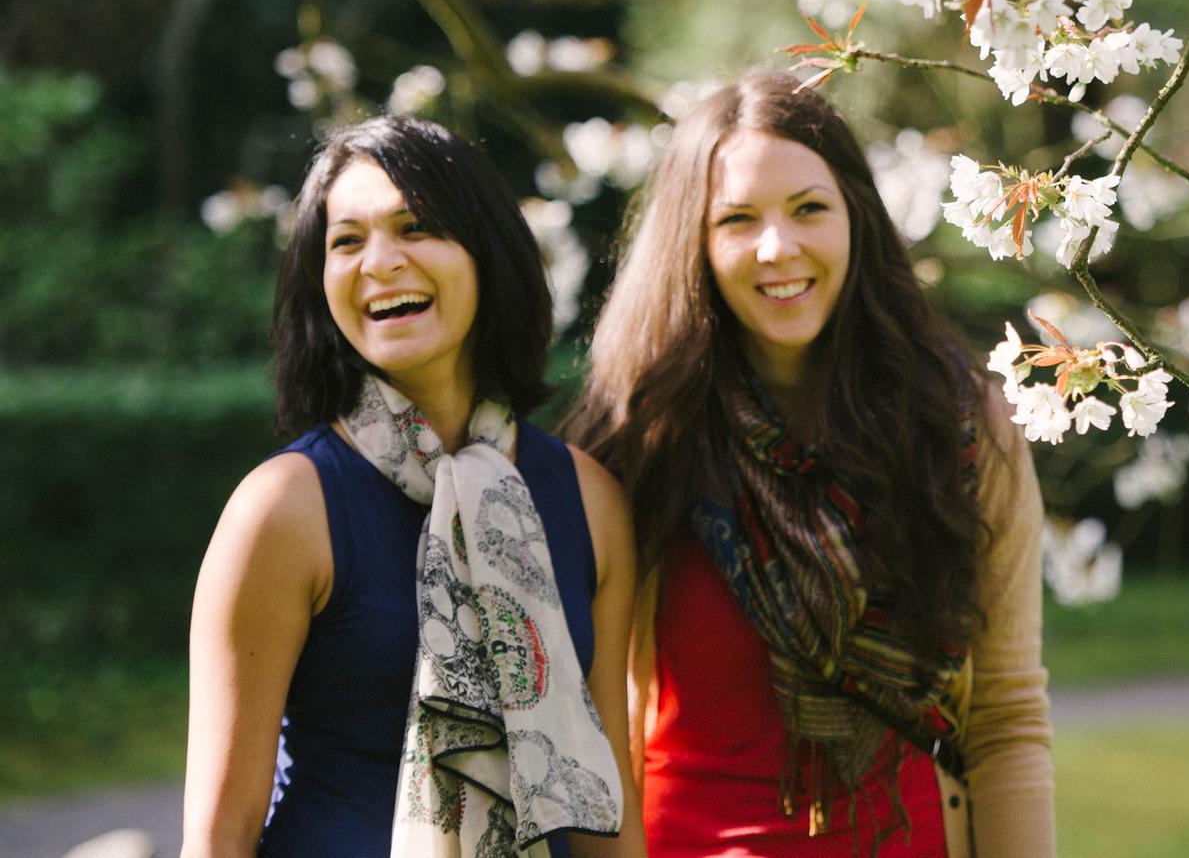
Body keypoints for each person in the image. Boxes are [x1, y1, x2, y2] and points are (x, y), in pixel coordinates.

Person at [568, 71, 1054, 858]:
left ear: (856, 217)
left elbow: (1006, 718)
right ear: (693, 241)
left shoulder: (961, 431)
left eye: (809, 210)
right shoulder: (640, 444)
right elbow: (606, 728)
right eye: (737, 219)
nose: (777, 248)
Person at [182, 116, 643, 858]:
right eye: (346, 241)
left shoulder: (588, 501)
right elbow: (218, 840)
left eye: (415, 226)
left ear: (486, 251)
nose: (380, 262)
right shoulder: (285, 510)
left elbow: (607, 813)